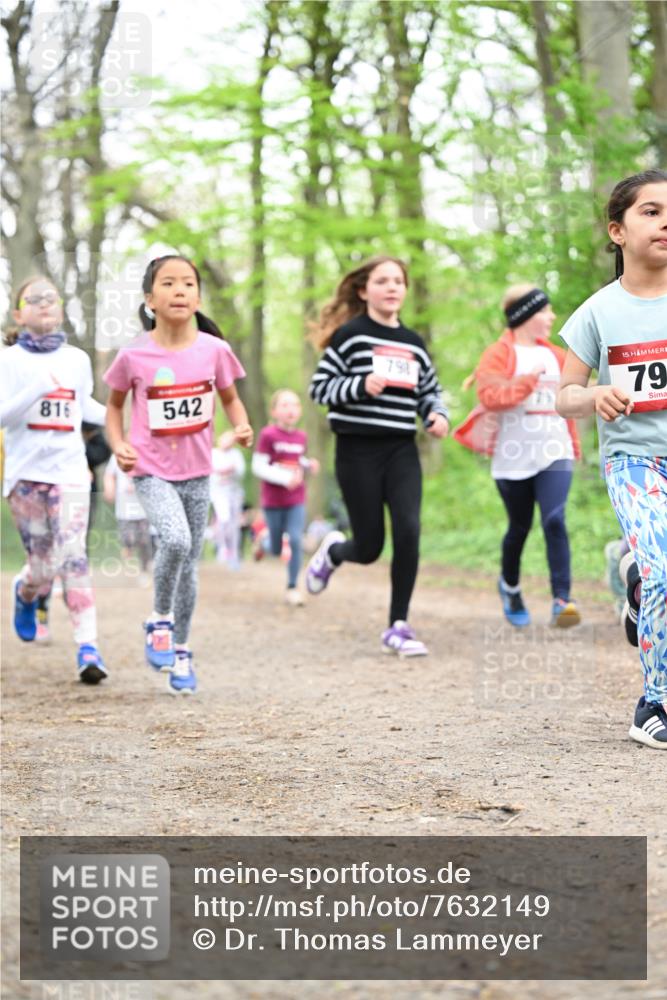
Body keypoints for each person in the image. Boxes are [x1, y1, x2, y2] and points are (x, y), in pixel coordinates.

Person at [104, 255, 253, 695]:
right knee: (176, 540)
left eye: (188, 283)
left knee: (190, 567)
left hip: (197, 470)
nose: (180, 290)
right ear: (150, 298)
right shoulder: (134, 354)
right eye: (168, 283)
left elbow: (230, 399)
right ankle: (159, 620)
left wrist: (241, 425)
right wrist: (118, 445)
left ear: (198, 296)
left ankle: (182, 649)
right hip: (150, 469)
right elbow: (114, 408)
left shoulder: (215, 350)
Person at [556, 168, 667, 749]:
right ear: (617, 230)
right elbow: (562, 396)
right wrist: (594, 393)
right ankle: (653, 702)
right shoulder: (599, 311)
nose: (665, 220)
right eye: (650, 211)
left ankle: (634, 577)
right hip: (635, 461)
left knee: (658, 573)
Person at [306, 255, 449, 656]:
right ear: (363, 290)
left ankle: (397, 625)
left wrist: (436, 415)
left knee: (408, 529)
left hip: (401, 449)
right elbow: (319, 390)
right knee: (368, 547)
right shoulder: (350, 336)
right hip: (356, 449)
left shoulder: (414, 343)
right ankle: (335, 551)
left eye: (398, 281)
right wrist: (359, 384)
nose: (391, 287)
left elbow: (430, 391)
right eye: (382, 281)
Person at [453, 284, 581, 629]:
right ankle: (510, 587)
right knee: (519, 528)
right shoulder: (499, 353)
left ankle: (563, 600)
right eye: (545, 311)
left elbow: (570, 400)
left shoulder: (557, 355)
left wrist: (574, 444)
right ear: (525, 315)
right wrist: (528, 381)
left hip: (556, 452)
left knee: (554, 519)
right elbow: (491, 395)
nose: (551, 316)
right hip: (513, 458)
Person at [0, 276, 108, 683]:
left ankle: (88, 648)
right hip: (26, 476)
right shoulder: (8, 361)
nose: (45, 304)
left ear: (61, 309)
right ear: (18, 313)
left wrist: (127, 416)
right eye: (35, 299)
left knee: (74, 554)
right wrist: (34, 390)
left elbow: (85, 408)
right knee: (43, 568)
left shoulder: (77, 360)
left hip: (70, 471)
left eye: (52, 298)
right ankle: (26, 590)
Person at [251, 389, 320, 606]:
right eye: (285, 405)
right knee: (277, 548)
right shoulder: (268, 435)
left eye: (295, 405)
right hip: (273, 500)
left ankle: (292, 587)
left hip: (296, 499)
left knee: (296, 540)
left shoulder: (301, 437)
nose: (291, 409)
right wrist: (284, 478)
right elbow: (259, 466)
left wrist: (309, 465)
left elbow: (297, 460)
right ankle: (263, 541)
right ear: (274, 411)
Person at [103, 453, 153, 583]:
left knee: (144, 541)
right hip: (124, 508)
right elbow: (109, 475)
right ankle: (129, 557)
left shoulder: (146, 453)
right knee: (127, 539)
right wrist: (109, 489)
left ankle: (144, 569)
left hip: (143, 508)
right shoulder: (117, 455)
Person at [210, 430, 245, 569]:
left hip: (234, 493)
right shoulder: (213, 454)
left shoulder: (236, 454)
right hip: (219, 493)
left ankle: (234, 553)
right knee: (223, 520)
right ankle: (222, 548)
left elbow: (240, 472)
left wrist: (230, 470)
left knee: (234, 524)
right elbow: (211, 473)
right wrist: (224, 471)